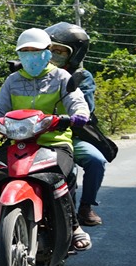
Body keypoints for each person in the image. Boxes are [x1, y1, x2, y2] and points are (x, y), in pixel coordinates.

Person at [0, 27, 93, 253]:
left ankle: (74, 227)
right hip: (18, 141)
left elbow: (76, 101)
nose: (30, 56)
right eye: (24, 52)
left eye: (35, 51)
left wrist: (79, 115)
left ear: (47, 52)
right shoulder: (13, 80)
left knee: (57, 176)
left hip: (54, 142)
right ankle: (0, 230)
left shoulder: (61, 76)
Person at [45, 22, 107, 227]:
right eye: (50, 49)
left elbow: (85, 107)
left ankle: (85, 207)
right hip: (31, 133)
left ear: (74, 55)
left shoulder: (82, 77)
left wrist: (75, 112)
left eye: (59, 51)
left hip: (70, 135)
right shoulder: (30, 73)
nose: (53, 54)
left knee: (95, 161)